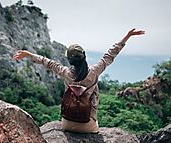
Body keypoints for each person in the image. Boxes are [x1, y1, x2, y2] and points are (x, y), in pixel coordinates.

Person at [13, 28, 145, 133]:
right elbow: (110, 55)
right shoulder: (94, 72)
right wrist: (127, 36)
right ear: (84, 56)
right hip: (88, 125)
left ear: (69, 60)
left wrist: (29, 55)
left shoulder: (65, 72)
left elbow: (47, 62)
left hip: (66, 124)